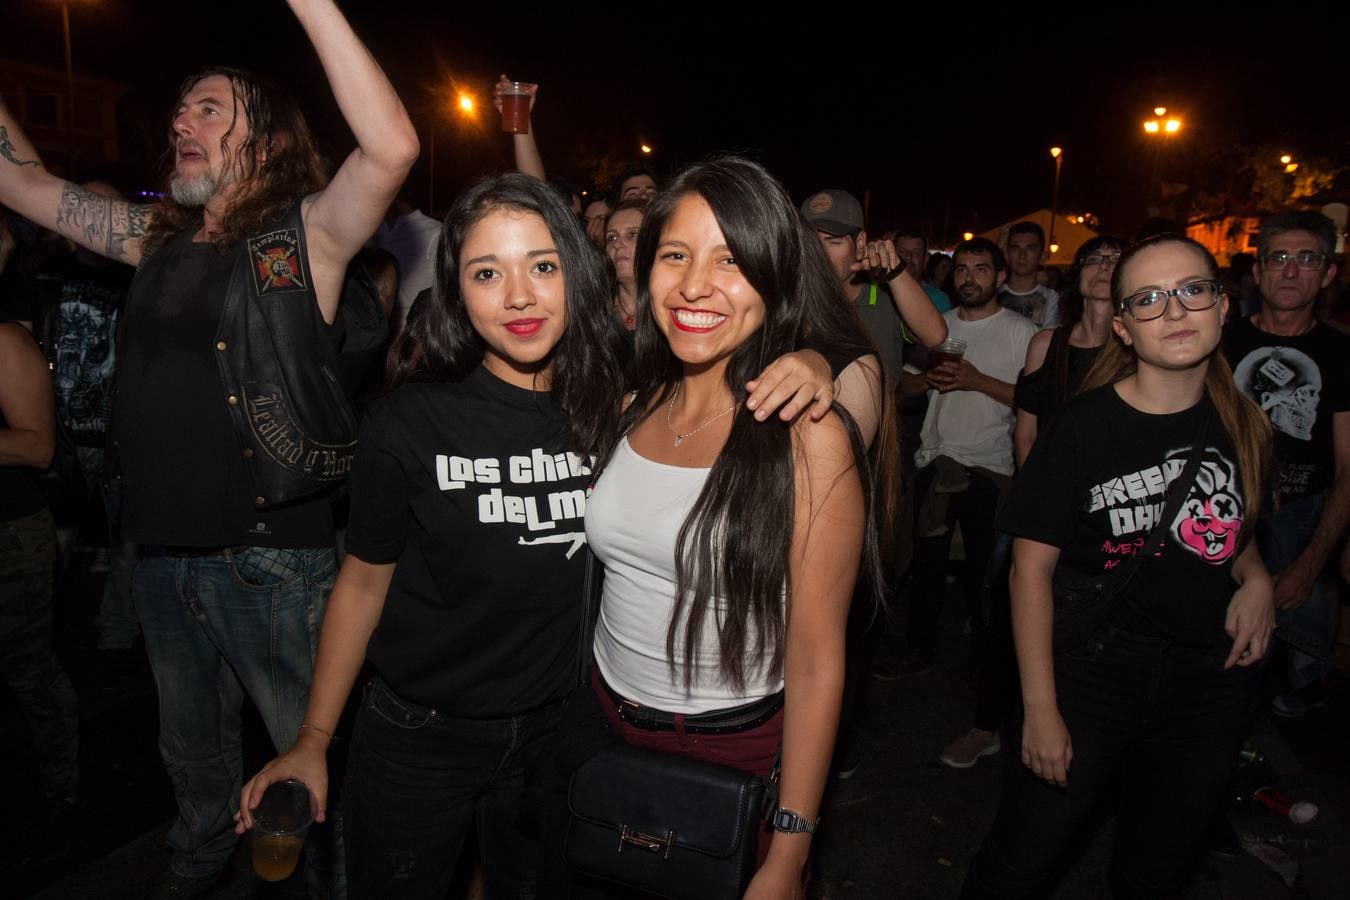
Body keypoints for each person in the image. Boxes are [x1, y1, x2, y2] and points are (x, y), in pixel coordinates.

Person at [235, 171, 839, 898]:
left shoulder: (611, 404)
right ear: (457, 291)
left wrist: (813, 358)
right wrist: (312, 739)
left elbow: (759, 374)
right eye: (487, 273)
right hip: (422, 736)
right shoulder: (409, 423)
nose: (519, 296)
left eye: (542, 267)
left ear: (577, 277)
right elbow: (363, 583)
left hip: (560, 737)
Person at [0, 2, 419, 895]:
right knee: (193, 778)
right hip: (159, 562)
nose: (181, 122)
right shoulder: (153, 241)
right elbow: (26, 184)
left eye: (209, 109)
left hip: (268, 567)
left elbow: (390, 150)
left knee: (302, 796)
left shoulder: (301, 241)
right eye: (180, 110)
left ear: (263, 143)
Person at [587, 156, 883, 896]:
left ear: (776, 278)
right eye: (676, 256)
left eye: (732, 261)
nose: (694, 286)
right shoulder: (636, 400)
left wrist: (788, 851)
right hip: (600, 720)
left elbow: (817, 657)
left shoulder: (804, 430)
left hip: (730, 752)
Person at [962, 235, 1276, 899]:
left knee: (1158, 870)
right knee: (1022, 860)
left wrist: (1256, 577)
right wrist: (1040, 708)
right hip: (1094, 674)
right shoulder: (1083, 426)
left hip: (1205, 683)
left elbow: (1222, 524)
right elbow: (1029, 574)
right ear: (1126, 328)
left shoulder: (1242, 423)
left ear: (1221, 307)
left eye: (1193, 290)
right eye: (1149, 299)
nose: (1174, 310)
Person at [900, 238, 1036, 767]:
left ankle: (985, 675)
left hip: (989, 470)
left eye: (982, 269)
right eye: (963, 269)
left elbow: (1032, 400)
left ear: (999, 275)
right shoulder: (935, 324)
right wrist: (920, 383)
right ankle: (918, 651)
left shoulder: (1021, 332)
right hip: (935, 462)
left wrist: (978, 380)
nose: (971, 277)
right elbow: (911, 384)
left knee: (985, 581)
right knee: (927, 564)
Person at [1222, 211, 1349, 717]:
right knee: (1224, 671)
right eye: (1278, 258)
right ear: (1258, 270)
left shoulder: (1341, 353)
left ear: (1328, 273)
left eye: (1306, 259)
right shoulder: (1220, 343)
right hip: (1225, 513)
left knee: (1290, 671)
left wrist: (1311, 563)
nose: (1291, 272)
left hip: (1303, 519)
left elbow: (1348, 468)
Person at [0, 319, 80, 866]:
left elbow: (38, 445)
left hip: (9, 535)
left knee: (27, 669)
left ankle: (62, 791)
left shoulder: (5, 339)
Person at [1013, 235, 1127, 466]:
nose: (1104, 265)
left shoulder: (1137, 348)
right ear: (1078, 275)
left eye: (1116, 259)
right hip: (1053, 481)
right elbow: (1026, 435)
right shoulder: (1045, 344)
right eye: (1094, 259)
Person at [999, 221, 1060, 327]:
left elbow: (1049, 337)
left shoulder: (1051, 298)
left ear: (1042, 257)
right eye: (1016, 248)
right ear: (1007, 256)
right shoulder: (992, 295)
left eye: (1030, 248)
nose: (1022, 255)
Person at [604, 196, 646, 332]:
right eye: (611, 237)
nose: (617, 244)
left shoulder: (673, 309)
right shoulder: (595, 312)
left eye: (633, 234)